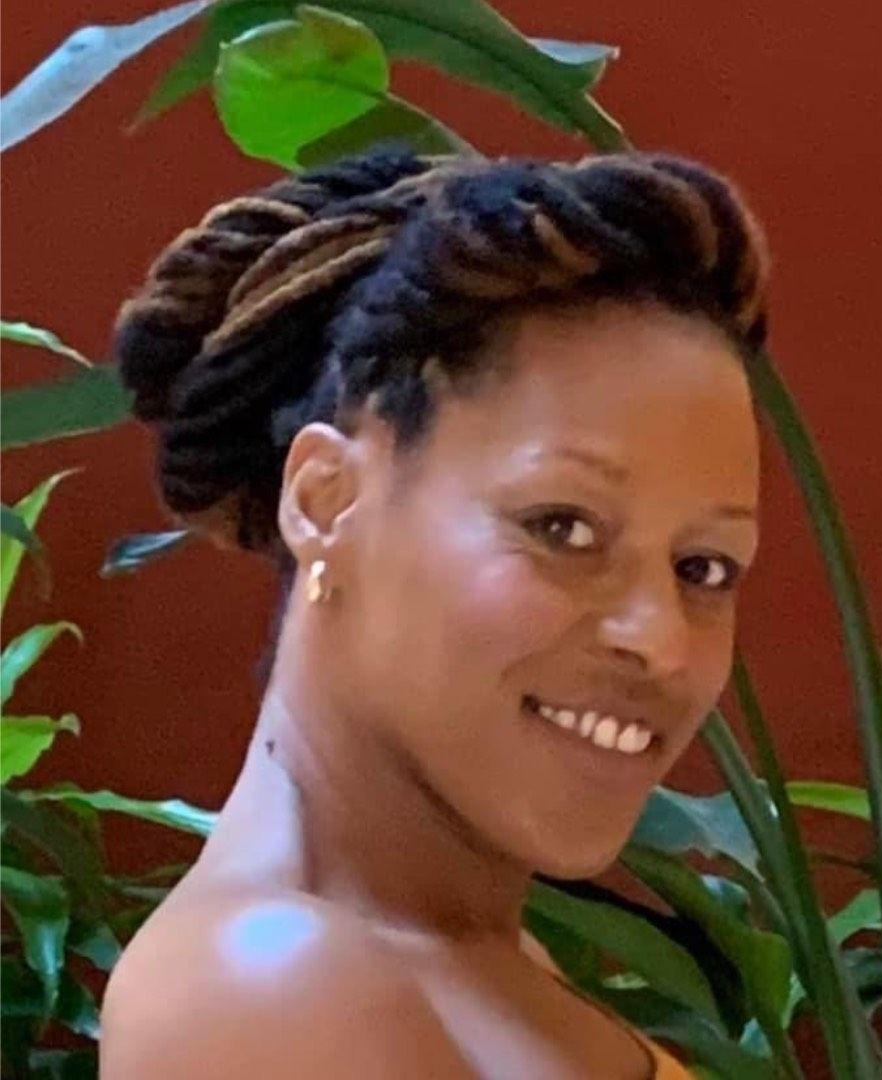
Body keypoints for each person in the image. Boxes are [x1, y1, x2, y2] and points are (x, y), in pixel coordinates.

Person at [98, 147, 766, 1079]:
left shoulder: (471, 965)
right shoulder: (278, 992)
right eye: (563, 527)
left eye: (704, 566)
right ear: (326, 501)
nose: (660, 639)